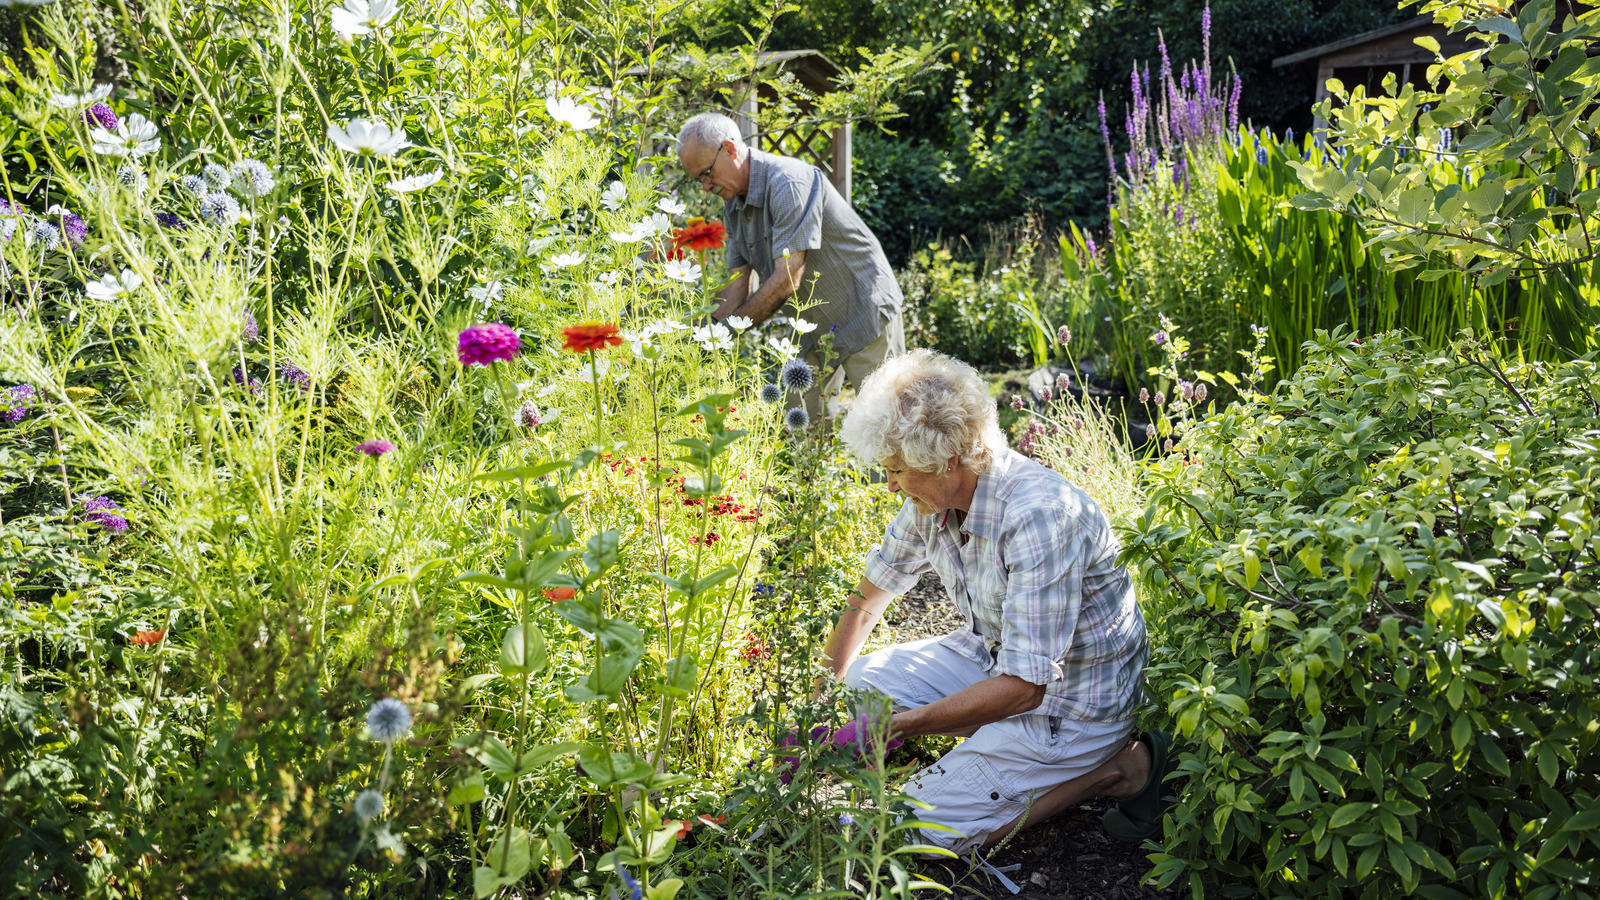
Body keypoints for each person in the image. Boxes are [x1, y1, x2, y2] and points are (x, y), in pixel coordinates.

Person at [823, 348, 1171, 855]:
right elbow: (869, 597)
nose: (891, 482)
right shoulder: (928, 502)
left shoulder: (1039, 518)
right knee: (859, 685)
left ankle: (1118, 769)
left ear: (947, 459)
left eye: (897, 470)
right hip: (997, 660)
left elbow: (1027, 688)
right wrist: (820, 691)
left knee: (906, 833)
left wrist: (902, 726)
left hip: (1074, 703)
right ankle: (990, 756)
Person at [676, 112, 904, 418]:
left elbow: (788, 279)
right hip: (811, 329)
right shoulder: (733, 205)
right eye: (698, 179)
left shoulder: (788, 182)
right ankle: (814, 469)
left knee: (890, 430)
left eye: (706, 173)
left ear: (730, 149)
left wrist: (727, 333)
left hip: (863, 310)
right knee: (801, 424)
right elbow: (737, 285)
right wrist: (706, 334)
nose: (705, 187)